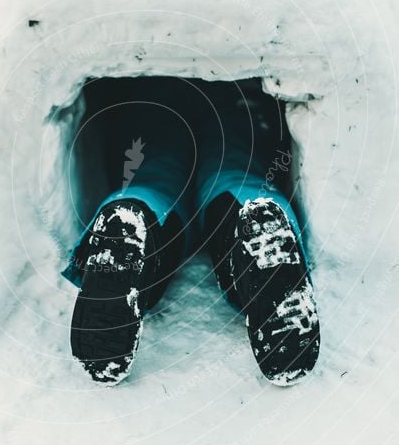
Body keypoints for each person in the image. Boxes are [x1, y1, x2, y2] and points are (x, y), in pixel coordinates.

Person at [62, 77, 320, 387]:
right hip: (239, 98)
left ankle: (132, 218)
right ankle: (256, 218)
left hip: (153, 100)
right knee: (235, 172)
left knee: (156, 177)